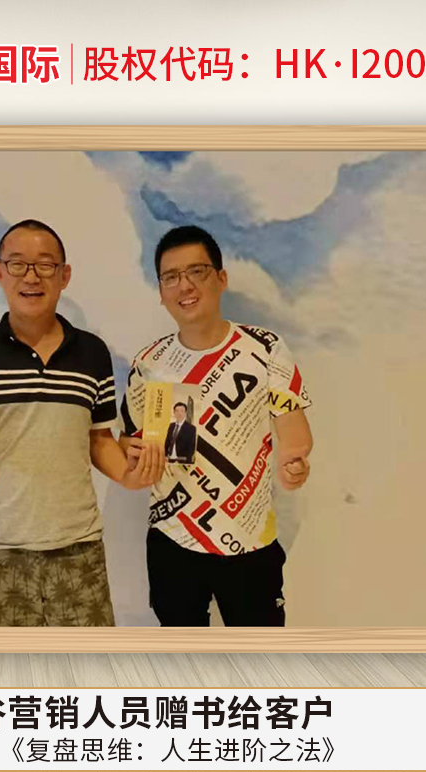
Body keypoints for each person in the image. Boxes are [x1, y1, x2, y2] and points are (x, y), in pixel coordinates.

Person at [0, 219, 163, 627]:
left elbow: (99, 439)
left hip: (77, 549)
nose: (31, 276)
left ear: (65, 276)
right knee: (5, 667)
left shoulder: (92, 353)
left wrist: (129, 475)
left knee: (87, 665)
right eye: (17, 264)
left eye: (45, 265)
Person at [120, 225, 313, 627]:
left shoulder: (264, 348)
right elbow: (127, 443)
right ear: (160, 292)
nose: (184, 285)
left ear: (221, 278)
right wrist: (133, 462)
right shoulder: (148, 364)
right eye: (171, 277)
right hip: (173, 538)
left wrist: (294, 459)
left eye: (197, 271)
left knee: (261, 659)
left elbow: (294, 428)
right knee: (182, 659)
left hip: (250, 539)